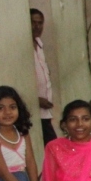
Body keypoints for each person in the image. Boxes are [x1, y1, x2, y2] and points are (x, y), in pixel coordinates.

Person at [31, 8, 57, 145]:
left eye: (40, 23)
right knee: (52, 144)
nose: (37, 27)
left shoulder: (39, 44)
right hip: (34, 109)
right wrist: (36, 100)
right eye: (33, 22)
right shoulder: (26, 47)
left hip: (45, 110)